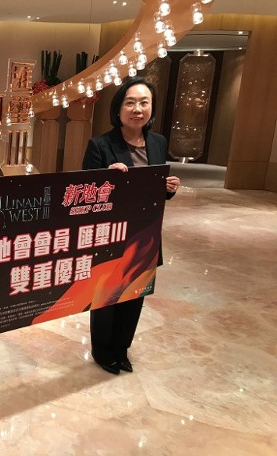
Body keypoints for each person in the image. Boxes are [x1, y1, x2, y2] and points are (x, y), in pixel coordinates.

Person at [81, 76, 180, 375]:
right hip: (110, 234)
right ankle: (102, 351)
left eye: (144, 103)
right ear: (118, 108)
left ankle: (121, 349)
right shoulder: (100, 144)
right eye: (130, 102)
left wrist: (169, 189)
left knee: (135, 294)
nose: (138, 109)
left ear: (152, 108)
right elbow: (84, 194)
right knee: (107, 296)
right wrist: (106, 177)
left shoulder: (158, 142)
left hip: (145, 232)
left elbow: (155, 190)